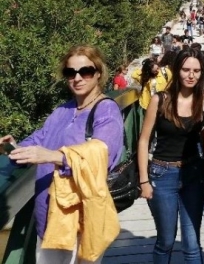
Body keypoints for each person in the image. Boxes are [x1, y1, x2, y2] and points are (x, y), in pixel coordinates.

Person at [1, 45, 124, 263]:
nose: (77, 78)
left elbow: (102, 152)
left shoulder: (106, 110)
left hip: (79, 217)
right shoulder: (62, 111)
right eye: (70, 72)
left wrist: (51, 156)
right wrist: (13, 147)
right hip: (48, 217)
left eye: (85, 71)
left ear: (98, 73)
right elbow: (39, 140)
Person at [138, 47, 204, 264]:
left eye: (196, 70)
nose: (191, 75)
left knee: (192, 243)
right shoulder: (160, 100)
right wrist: (144, 180)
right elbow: (143, 140)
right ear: (177, 70)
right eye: (186, 69)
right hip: (162, 173)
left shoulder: (202, 102)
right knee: (166, 241)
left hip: (193, 174)